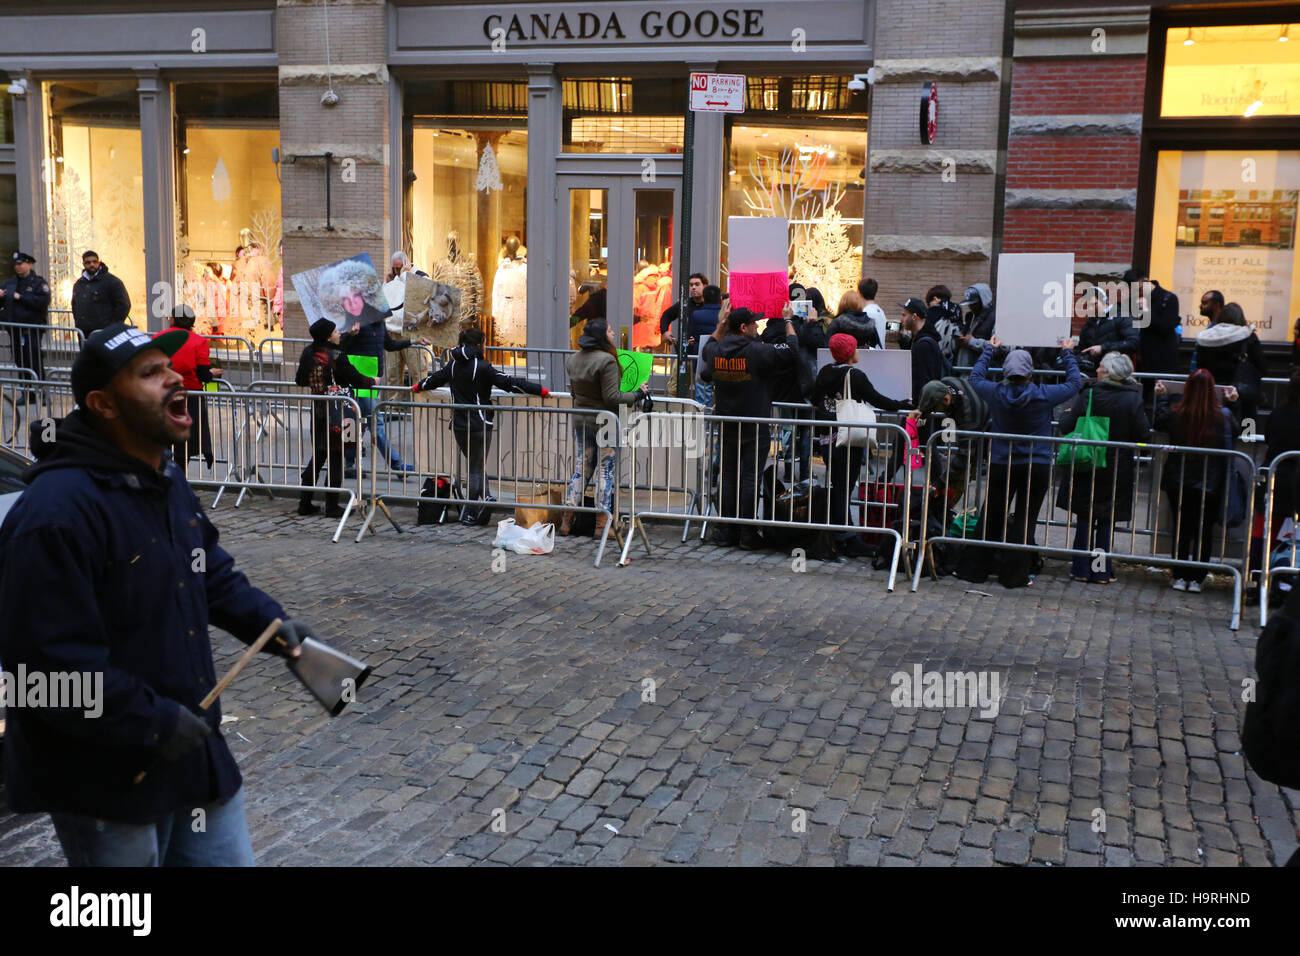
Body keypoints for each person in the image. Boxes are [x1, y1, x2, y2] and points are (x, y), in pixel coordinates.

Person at [0, 321, 313, 866]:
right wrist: (153, 722)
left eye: (169, 367)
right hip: (106, 776)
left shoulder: (165, 477)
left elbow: (209, 573)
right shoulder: (55, 513)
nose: (174, 379)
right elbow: (45, 673)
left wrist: (270, 624)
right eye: (150, 373)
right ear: (104, 404)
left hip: (191, 754)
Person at [960, 336, 1082, 588]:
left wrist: (989, 350)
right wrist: (1067, 353)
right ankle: (1014, 575)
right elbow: (1074, 383)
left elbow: (974, 379)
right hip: (1035, 465)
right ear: (1030, 372)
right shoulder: (1044, 395)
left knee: (991, 515)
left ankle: (975, 569)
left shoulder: (995, 393)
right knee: (1026, 519)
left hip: (1002, 462)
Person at [414, 327, 548, 524]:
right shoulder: (482, 366)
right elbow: (509, 383)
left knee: (475, 465)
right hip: (479, 423)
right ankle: (470, 512)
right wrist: (540, 390)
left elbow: (434, 380)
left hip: (459, 424)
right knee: (476, 469)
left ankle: (485, 500)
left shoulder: (452, 365)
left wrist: (418, 386)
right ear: (479, 345)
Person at [700, 305, 798, 549]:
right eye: (754, 323)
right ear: (744, 328)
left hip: (727, 422)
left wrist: (721, 324)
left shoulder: (716, 350)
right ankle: (746, 532)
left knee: (729, 476)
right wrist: (788, 321)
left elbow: (707, 348)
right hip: (754, 423)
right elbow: (792, 349)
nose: (758, 326)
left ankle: (725, 530)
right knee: (749, 477)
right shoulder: (757, 351)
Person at [812, 332, 911, 554]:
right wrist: (901, 404)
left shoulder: (825, 372)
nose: (858, 351)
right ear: (849, 353)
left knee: (839, 486)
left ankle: (844, 533)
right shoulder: (855, 375)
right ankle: (844, 538)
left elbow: (813, 397)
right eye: (855, 348)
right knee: (844, 487)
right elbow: (877, 399)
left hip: (828, 437)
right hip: (848, 439)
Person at [1055, 351, 1150, 584]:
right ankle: (1100, 570)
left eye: (1100, 366)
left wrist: (1068, 413)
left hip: (1088, 463)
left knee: (1085, 516)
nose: (1096, 369)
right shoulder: (1133, 399)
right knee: (1106, 520)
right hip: (1118, 467)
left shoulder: (1089, 395)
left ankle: (1080, 568)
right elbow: (1143, 436)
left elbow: (1066, 426)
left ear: (1107, 372)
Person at [562, 318, 648, 539]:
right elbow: (612, 398)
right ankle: (602, 525)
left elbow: (574, 393)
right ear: (602, 336)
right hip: (605, 422)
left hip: (582, 420)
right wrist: (638, 393)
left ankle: (567, 520)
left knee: (582, 469)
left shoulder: (573, 359)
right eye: (610, 331)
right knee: (605, 471)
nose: (613, 334)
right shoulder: (607, 361)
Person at [1154, 371, 1239, 593]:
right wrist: (1234, 404)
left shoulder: (1176, 413)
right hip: (1210, 480)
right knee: (1204, 530)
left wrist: (1162, 397)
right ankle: (1198, 577)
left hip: (1178, 478)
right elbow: (1239, 432)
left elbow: (1158, 422)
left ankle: (1180, 575)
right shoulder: (1223, 416)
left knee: (1181, 528)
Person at [295, 318, 377, 517]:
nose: (339, 333)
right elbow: (354, 377)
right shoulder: (336, 354)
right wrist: (372, 381)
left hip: (319, 410)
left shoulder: (309, 352)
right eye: (335, 331)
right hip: (340, 412)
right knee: (337, 457)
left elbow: (300, 380)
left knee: (319, 455)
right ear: (328, 336)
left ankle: (305, 503)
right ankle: (332, 506)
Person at [155, 305, 223, 470]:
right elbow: (203, 375)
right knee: (184, 443)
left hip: (163, 395)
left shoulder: (158, 338)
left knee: (164, 438)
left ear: (172, 319)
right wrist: (213, 372)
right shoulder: (198, 341)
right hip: (190, 398)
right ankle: (179, 478)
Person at [1191, 302, 1266, 422]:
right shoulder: (1248, 337)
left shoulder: (1205, 338)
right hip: (1243, 396)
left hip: (1211, 396)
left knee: (1217, 431)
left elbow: (1200, 366)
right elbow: (1262, 366)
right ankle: (1248, 439)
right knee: (1247, 430)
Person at [1, 250, 51, 384]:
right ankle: (27, 392)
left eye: (21, 264)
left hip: (31, 329)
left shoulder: (38, 283)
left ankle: (39, 390)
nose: (17, 267)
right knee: (20, 360)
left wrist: (21, 297)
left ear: (29, 264)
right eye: (16, 264)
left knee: (33, 360)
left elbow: (42, 302)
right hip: (15, 329)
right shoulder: (9, 283)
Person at [1073, 283, 1139, 377]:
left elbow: (1133, 344)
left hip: (1117, 373)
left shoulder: (1123, 317)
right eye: (1087, 305)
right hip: (1094, 373)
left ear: (1105, 301)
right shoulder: (1089, 324)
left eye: (1094, 304)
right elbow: (1082, 348)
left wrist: (1102, 348)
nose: (1090, 308)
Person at [1126, 267, 1180, 377]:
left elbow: (1166, 327)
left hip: (1163, 360)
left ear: (1146, 281)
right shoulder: (1133, 300)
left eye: (1139, 289)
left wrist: (1145, 311)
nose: (1138, 293)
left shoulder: (1169, 298)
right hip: (1141, 359)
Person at [71, 250, 132, 337]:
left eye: (94, 262)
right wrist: (79, 323)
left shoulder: (112, 281)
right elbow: (75, 305)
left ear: (99, 262)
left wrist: (112, 327)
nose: (92, 264)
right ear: (83, 264)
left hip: (105, 333)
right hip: (84, 333)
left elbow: (124, 305)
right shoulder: (79, 284)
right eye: (88, 262)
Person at [898, 296, 947, 404]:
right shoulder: (918, 338)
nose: (901, 320)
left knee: (907, 422)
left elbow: (926, 380)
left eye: (904, 315)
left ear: (914, 316)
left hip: (920, 408)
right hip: (918, 403)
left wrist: (921, 408)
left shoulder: (924, 345)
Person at [687, 285, 723, 406]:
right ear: (720, 299)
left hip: (702, 357)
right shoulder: (724, 316)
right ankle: (718, 423)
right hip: (722, 357)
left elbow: (692, 334)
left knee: (702, 396)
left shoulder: (697, 315)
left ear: (704, 299)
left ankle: (704, 424)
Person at [659, 272, 708, 345]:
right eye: (691, 285)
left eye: (697, 284)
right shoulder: (684, 304)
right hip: (687, 349)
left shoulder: (711, 304)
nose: (693, 287)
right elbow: (666, 315)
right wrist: (665, 332)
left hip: (705, 347)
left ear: (705, 286)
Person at [954, 283, 996, 368]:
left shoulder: (995, 318)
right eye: (969, 304)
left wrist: (972, 342)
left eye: (974, 304)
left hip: (982, 373)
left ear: (983, 300)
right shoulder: (970, 317)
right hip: (967, 371)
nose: (970, 307)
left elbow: (999, 346)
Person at [925, 284, 964, 365]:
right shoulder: (957, 310)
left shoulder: (931, 312)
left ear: (935, 299)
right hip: (954, 357)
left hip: (935, 356)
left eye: (929, 303)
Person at [856, 277, 889, 346]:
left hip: (870, 354)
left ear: (860, 293)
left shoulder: (865, 313)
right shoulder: (880, 311)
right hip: (880, 353)